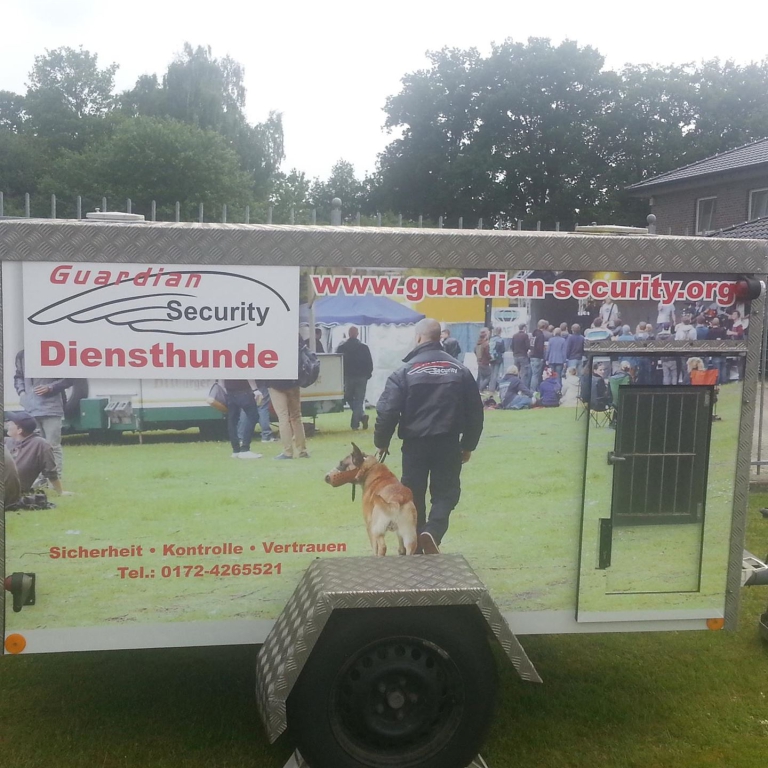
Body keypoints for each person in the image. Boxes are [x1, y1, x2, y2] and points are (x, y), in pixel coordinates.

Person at [374, 318, 484, 554]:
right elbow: (475, 412)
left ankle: (415, 545)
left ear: (418, 338)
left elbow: (387, 410)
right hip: (448, 442)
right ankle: (432, 531)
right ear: (439, 337)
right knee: (447, 492)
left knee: (413, 495)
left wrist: (381, 442)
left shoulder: (404, 372)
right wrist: (468, 445)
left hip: (414, 445)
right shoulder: (460, 371)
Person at [14, 350, 72, 478]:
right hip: (30, 409)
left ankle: (55, 479)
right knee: (34, 447)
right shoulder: (22, 355)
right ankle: (40, 479)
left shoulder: (54, 351)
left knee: (52, 446)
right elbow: (18, 376)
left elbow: (69, 379)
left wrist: (50, 387)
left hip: (52, 408)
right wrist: (22, 393)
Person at [4, 412, 68, 495]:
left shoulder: (40, 444)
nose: (7, 424)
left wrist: (60, 491)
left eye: (11, 423)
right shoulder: (7, 441)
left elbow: (51, 472)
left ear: (19, 430)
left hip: (11, 490)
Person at [267, 337, 309, 460]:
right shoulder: (294, 335)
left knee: (283, 417)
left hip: (275, 382)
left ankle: (288, 452)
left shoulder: (270, 336)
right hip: (293, 381)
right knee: (296, 416)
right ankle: (302, 450)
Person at [336, 326, 374, 430]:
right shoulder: (364, 347)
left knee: (348, 397)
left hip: (348, 377)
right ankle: (359, 418)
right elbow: (369, 362)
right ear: (357, 334)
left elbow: (338, 362)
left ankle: (357, 422)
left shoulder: (342, 347)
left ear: (349, 334)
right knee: (359, 400)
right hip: (362, 377)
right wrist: (368, 374)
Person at [223, 380, 263, 459]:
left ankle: (236, 450)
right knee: (253, 416)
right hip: (244, 390)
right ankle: (245, 448)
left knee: (232, 420)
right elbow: (247, 374)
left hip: (229, 390)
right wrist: (255, 389)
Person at [707, 317, 729, 383]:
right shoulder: (723, 331)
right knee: (723, 368)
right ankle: (724, 382)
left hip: (715, 353)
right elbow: (726, 339)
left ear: (712, 323)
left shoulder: (710, 331)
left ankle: (717, 382)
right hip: (723, 352)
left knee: (716, 370)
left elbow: (707, 342)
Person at [511, 323, 531, 388]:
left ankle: (515, 386)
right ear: (524, 328)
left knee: (516, 372)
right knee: (524, 373)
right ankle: (522, 387)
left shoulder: (514, 336)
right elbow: (528, 346)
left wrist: (515, 352)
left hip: (515, 356)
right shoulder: (525, 336)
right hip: (523, 355)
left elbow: (512, 346)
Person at [530, 319, 548, 390]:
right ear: (544, 326)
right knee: (536, 376)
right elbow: (540, 347)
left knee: (533, 375)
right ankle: (533, 390)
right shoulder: (541, 335)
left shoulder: (533, 334)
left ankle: (533, 389)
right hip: (537, 357)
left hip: (532, 356)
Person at [489, 327, 506, 392]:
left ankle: (490, 387)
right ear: (500, 332)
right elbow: (503, 350)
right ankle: (493, 389)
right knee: (495, 374)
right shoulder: (500, 340)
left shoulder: (491, 339)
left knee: (491, 373)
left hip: (491, 357)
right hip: (498, 358)